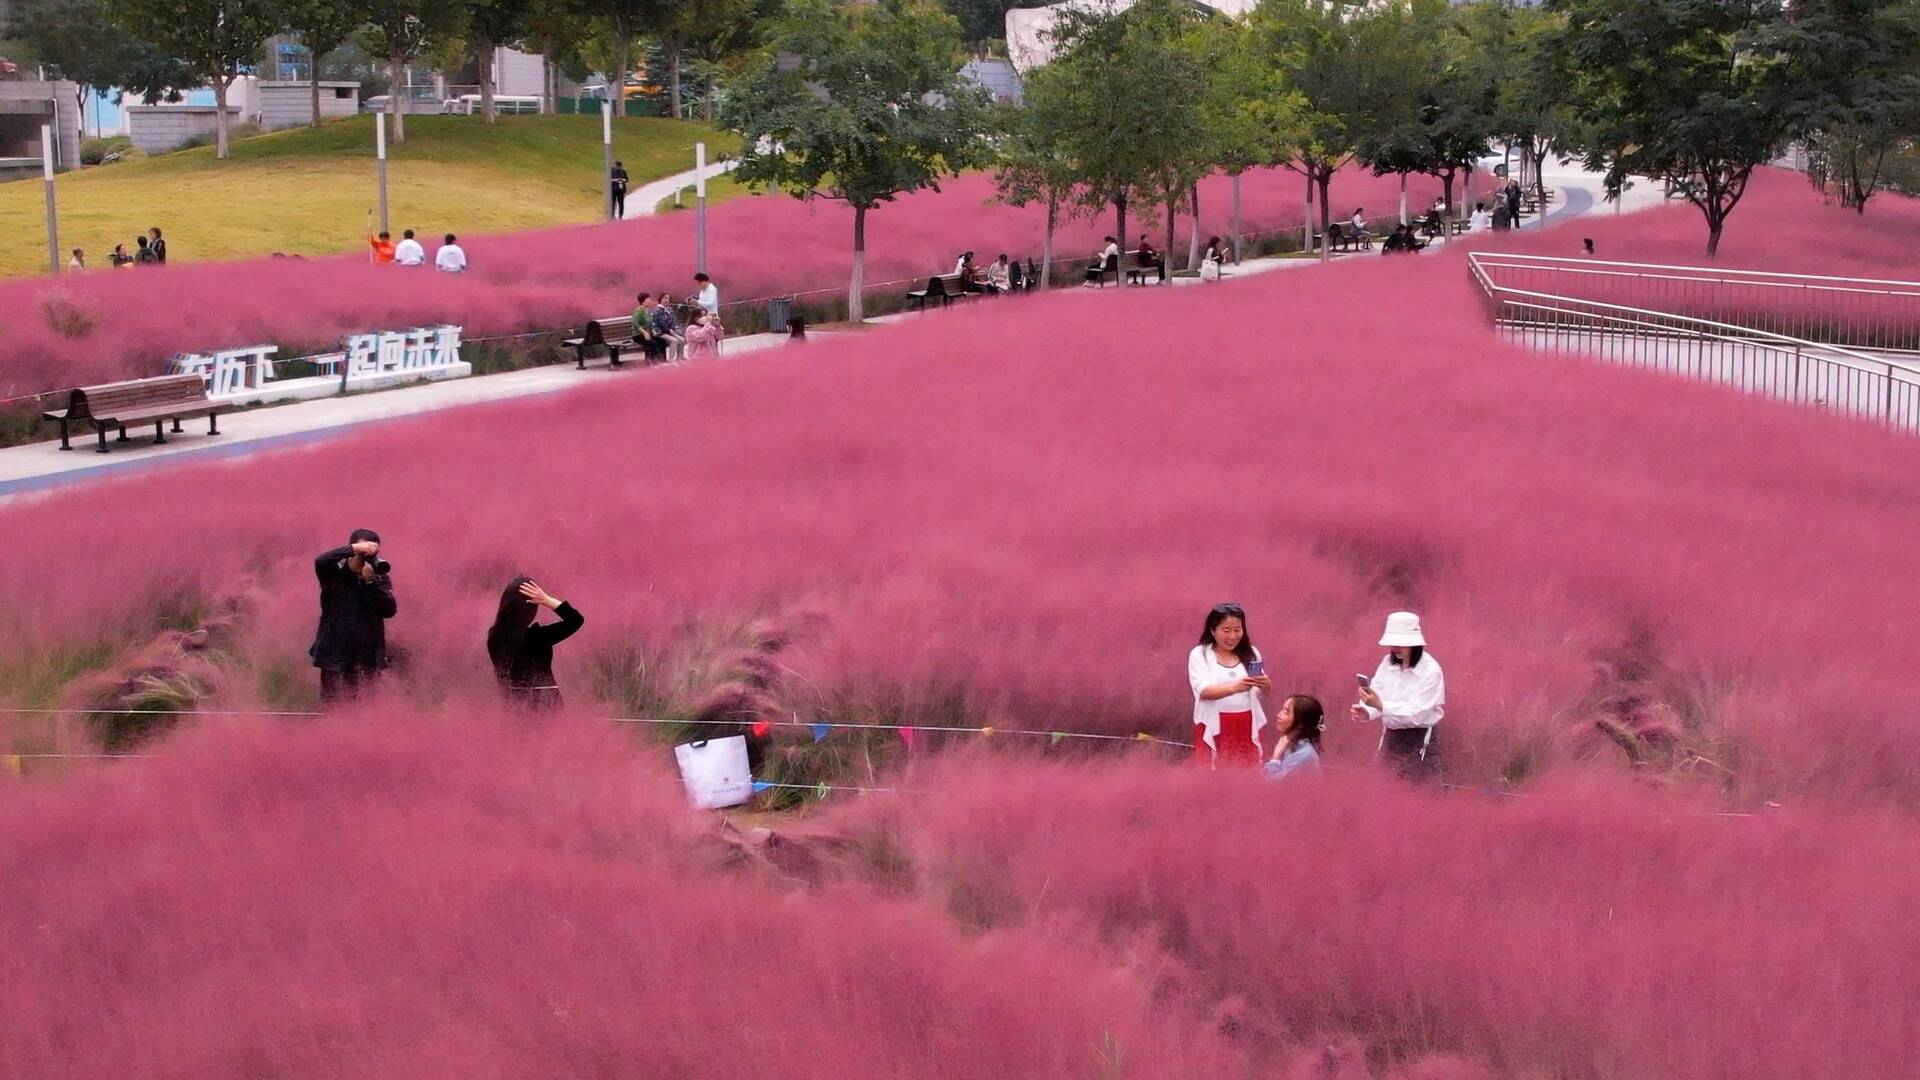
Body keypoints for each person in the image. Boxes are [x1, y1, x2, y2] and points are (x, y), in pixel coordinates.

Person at [1350, 611, 1444, 780]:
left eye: (1402, 644)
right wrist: (1366, 710)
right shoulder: (1387, 663)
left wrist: (1380, 706)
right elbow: (1377, 690)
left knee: (1419, 797)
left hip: (1419, 740)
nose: (1396, 649)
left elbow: (1415, 714)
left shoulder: (1431, 671)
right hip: (1390, 739)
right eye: (1393, 644)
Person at [310, 529, 397, 706]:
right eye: (361, 555)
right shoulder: (333, 574)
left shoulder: (378, 578)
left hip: (367, 659)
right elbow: (321, 561)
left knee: (366, 713)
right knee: (334, 711)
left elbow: (389, 610)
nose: (365, 561)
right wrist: (354, 548)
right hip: (336, 659)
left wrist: (371, 583)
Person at [1187, 603, 1271, 769]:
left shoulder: (1252, 653)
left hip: (1247, 723)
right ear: (1213, 630)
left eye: (1237, 630)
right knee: (1215, 770)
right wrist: (1235, 688)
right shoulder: (1200, 654)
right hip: (1215, 724)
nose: (1232, 636)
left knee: (1248, 770)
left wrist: (1266, 685)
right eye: (1226, 631)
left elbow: (1262, 693)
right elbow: (1203, 691)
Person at [486, 577, 584, 711]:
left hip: (513, 709)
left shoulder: (494, 637)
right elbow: (575, 620)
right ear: (529, 609)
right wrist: (546, 599)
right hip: (547, 708)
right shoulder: (537, 637)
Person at [1264, 694, 1325, 781]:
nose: (1278, 715)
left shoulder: (1304, 754)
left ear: (1300, 724)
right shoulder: (1291, 744)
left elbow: (1275, 787)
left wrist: (1275, 757)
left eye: (1285, 712)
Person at [630, 292, 664, 361]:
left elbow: (650, 323)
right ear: (643, 301)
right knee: (653, 344)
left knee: (661, 341)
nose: (650, 301)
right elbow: (634, 323)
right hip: (638, 335)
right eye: (648, 300)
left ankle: (662, 360)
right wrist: (644, 333)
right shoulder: (639, 311)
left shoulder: (647, 310)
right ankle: (652, 362)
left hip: (648, 333)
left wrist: (653, 331)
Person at [652, 293, 686, 361]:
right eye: (664, 298)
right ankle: (671, 359)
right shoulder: (657, 310)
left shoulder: (669, 310)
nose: (666, 300)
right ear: (660, 299)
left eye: (668, 298)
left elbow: (673, 321)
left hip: (668, 331)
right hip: (658, 331)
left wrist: (675, 329)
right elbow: (661, 323)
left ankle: (680, 358)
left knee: (682, 340)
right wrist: (670, 331)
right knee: (674, 340)